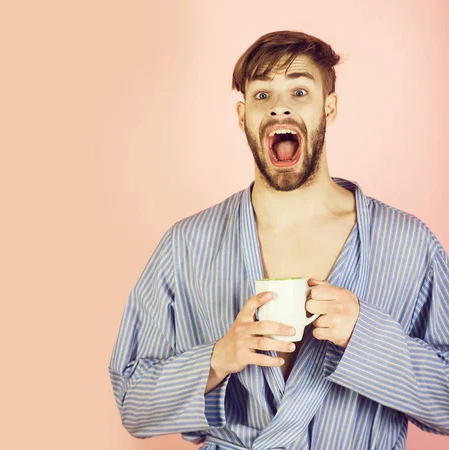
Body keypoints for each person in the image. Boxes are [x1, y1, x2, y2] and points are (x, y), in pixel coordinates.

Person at [108, 30, 449, 450]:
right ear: (242, 116)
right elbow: (133, 404)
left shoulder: (409, 245)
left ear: (330, 107)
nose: (280, 106)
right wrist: (219, 358)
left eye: (300, 91)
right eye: (262, 95)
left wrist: (367, 339)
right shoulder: (184, 247)